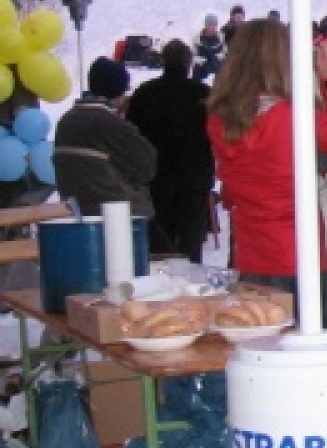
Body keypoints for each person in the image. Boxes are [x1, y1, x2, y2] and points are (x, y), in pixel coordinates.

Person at [208, 20, 327, 325]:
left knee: (265, 342)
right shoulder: (295, 116)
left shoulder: (221, 117)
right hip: (311, 250)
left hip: (253, 249)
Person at [125, 40, 213, 262]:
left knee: (160, 250)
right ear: (189, 62)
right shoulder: (203, 94)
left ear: (163, 61)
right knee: (191, 249)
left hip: (157, 179)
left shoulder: (144, 94)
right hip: (195, 178)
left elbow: (133, 137)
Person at [54, 57, 156, 218]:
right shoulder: (111, 124)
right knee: (162, 241)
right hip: (118, 213)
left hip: (76, 210)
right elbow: (147, 166)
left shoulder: (65, 121)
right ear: (118, 91)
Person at [193, 13, 225, 81]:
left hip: (216, 63)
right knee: (196, 72)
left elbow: (224, 52)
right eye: (210, 24)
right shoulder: (197, 38)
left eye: (215, 25)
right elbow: (194, 55)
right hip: (203, 64)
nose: (213, 27)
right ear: (206, 25)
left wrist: (216, 59)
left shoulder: (221, 36)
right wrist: (205, 62)